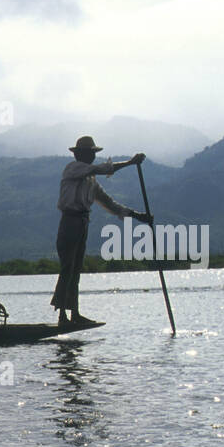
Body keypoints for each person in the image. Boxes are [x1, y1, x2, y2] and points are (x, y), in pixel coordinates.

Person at [52, 136, 151, 328]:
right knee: (68, 268)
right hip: (69, 222)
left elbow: (110, 203)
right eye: (88, 153)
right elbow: (105, 168)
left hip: (82, 222)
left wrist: (138, 216)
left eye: (92, 153)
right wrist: (131, 163)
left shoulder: (91, 181)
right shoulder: (73, 168)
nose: (90, 156)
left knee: (76, 269)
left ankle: (74, 314)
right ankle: (63, 315)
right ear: (78, 154)